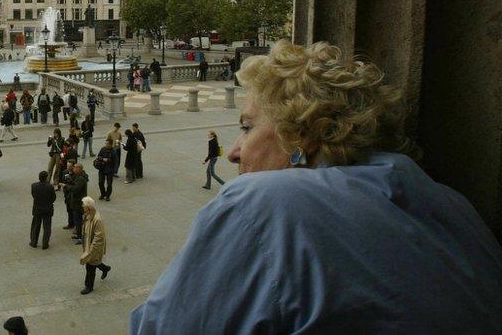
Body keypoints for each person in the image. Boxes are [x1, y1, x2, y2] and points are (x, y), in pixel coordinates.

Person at [130, 40, 502, 333]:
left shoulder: (263, 203)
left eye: (246, 127)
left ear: (302, 135)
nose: (235, 152)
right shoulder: (446, 200)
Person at [79, 196, 110, 294]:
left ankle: (89, 286)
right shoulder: (88, 215)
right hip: (88, 244)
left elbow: (99, 237)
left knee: (90, 266)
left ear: (88, 207)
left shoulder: (97, 219)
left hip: (94, 247)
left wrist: (91, 250)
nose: (82, 207)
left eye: (83, 205)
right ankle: (105, 268)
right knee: (94, 262)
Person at [30, 170, 56, 249]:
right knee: (47, 227)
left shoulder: (34, 186)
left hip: (37, 208)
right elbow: (53, 198)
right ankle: (45, 244)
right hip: (47, 209)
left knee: (35, 226)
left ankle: (34, 242)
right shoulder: (50, 187)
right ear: (46, 178)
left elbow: (33, 195)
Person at [66, 163, 88, 243]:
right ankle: (78, 235)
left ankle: (80, 238)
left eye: (75, 168)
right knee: (77, 220)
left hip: (79, 202)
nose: (73, 169)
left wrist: (66, 186)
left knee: (78, 220)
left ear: (79, 169)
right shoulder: (78, 177)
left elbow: (76, 189)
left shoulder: (81, 179)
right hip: (76, 201)